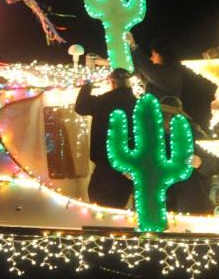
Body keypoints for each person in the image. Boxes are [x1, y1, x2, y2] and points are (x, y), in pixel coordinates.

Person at [75, 68, 137, 208]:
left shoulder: (105, 101)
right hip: (128, 168)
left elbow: (80, 107)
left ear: (112, 82)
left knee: (101, 208)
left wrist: (88, 85)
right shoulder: (137, 104)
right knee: (118, 209)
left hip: (105, 167)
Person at [160, 96, 219, 214]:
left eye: (166, 115)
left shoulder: (194, 133)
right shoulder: (156, 136)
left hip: (192, 195)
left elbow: (214, 163)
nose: (162, 120)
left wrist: (201, 163)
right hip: (167, 196)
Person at [126, 32, 183, 101]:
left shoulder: (171, 73)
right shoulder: (168, 72)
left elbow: (147, 68)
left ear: (161, 55)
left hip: (166, 111)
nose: (151, 58)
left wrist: (133, 47)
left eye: (153, 55)